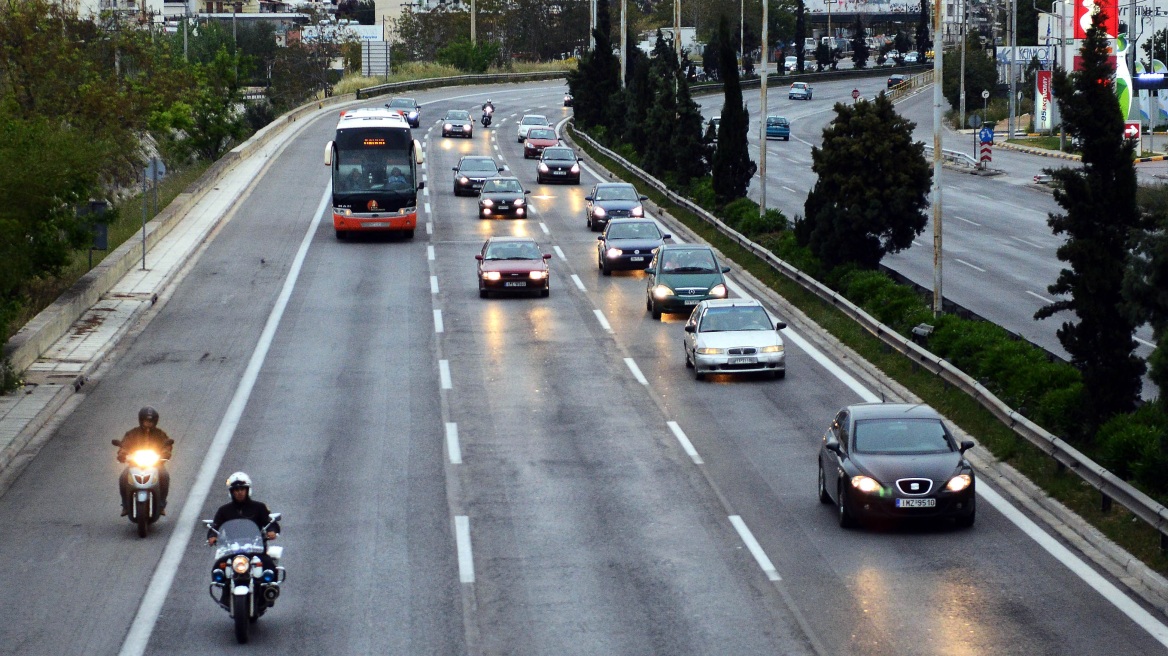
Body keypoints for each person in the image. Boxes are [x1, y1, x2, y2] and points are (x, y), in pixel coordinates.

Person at [115, 406, 173, 516]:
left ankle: (161, 505)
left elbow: (167, 445)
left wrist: (165, 453)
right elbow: (124, 446)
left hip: (155, 464)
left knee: (164, 475)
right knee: (123, 477)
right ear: (141, 420)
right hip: (135, 464)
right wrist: (122, 454)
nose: (148, 423)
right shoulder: (132, 433)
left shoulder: (160, 434)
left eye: (151, 421)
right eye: (146, 421)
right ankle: (125, 506)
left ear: (155, 422)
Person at [206, 472, 280, 546]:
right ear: (232, 492)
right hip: (231, 548)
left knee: (268, 557)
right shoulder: (223, 510)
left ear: (247, 490)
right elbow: (215, 526)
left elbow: (270, 523)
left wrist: (271, 530)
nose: (240, 492)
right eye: (236, 490)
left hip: (257, 547)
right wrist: (212, 536)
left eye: (242, 489)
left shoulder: (259, 507)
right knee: (220, 558)